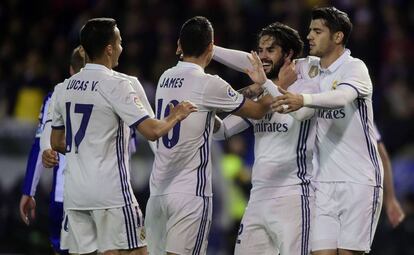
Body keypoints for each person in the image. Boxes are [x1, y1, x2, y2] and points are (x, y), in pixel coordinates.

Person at [50, 18, 196, 255]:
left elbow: (56, 142)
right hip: (111, 193)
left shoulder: (64, 87)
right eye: (119, 42)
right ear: (109, 48)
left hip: (75, 194)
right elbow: (152, 131)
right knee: (137, 252)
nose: (121, 47)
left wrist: (87, 146)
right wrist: (176, 115)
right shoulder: (117, 84)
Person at [144, 16, 275, 255]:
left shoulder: (164, 78)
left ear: (178, 46)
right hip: (190, 194)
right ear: (210, 48)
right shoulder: (208, 83)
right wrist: (268, 87)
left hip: (158, 192)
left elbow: (209, 103)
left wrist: (248, 92)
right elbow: (256, 111)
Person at [271, 7, 383, 255]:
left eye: (317, 31)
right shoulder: (310, 69)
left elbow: (341, 97)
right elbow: (262, 61)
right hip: (322, 183)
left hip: (359, 181)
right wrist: (211, 50)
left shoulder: (355, 68)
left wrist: (303, 98)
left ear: (338, 37)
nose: (309, 35)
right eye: (310, 29)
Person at [213, 22, 320, 255]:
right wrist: (205, 110)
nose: (263, 56)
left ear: (288, 54)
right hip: (258, 197)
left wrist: (267, 84)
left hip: (293, 195)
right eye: (260, 51)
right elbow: (221, 131)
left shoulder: (309, 86)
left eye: (270, 50)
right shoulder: (263, 92)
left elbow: (299, 113)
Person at [19, 46, 87, 255]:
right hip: (104, 193)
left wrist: (28, 191)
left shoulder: (57, 94)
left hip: (64, 194)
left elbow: (41, 144)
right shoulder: (116, 89)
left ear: (70, 69)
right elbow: (129, 149)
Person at [373, 124, 405, 228]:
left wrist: (390, 198)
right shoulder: (364, 114)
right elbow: (384, 158)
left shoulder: (363, 115)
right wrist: (390, 198)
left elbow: (384, 158)